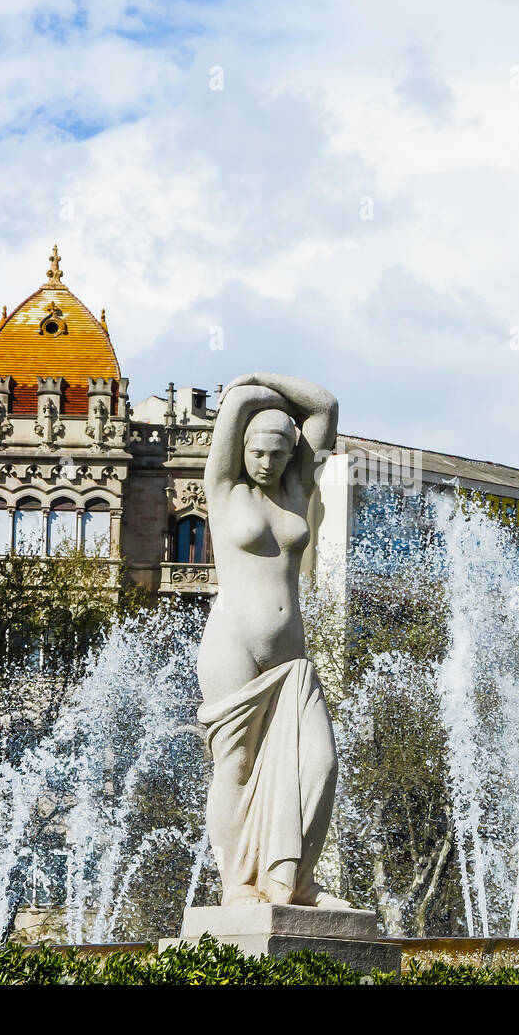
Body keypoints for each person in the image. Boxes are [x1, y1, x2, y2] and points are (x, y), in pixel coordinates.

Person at [196, 372, 350, 908]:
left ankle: (296, 883)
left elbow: (325, 406)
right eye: (258, 453)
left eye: (279, 454)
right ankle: (237, 885)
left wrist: (265, 378)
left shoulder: (297, 489)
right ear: (243, 449)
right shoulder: (223, 488)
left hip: (292, 659)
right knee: (235, 767)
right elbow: (235, 401)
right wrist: (253, 390)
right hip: (232, 643)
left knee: (320, 764)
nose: (267, 463)